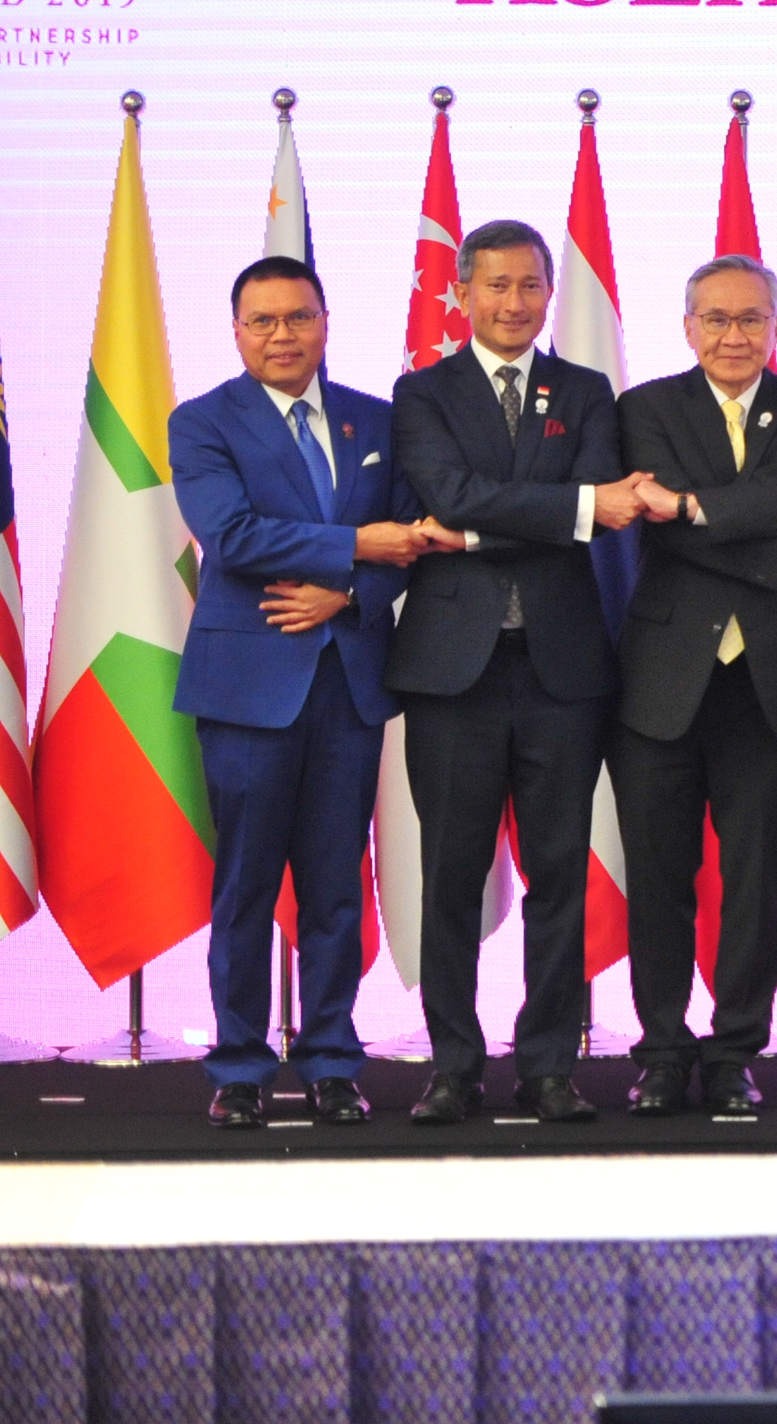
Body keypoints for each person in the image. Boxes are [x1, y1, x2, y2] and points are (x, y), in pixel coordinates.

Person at [388, 218, 649, 1127]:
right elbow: (450, 493)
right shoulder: (421, 392)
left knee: (559, 875)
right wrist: (564, 507)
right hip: (452, 672)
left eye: (530, 285)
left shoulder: (587, 390)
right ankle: (453, 1065)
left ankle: (548, 1065)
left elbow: (603, 506)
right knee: (450, 877)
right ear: (462, 293)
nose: (513, 302)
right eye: (495, 285)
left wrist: (475, 531)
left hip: (561, 669)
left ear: (549, 292)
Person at [170, 256, 442, 1129]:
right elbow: (232, 535)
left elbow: (413, 543)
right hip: (248, 689)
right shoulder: (202, 421)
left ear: (326, 322)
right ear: (237, 331)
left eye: (298, 317)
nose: (282, 334)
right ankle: (239, 1069)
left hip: (348, 684)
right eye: (263, 321)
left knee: (334, 888)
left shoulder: (378, 418)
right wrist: (354, 546)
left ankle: (331, 1061)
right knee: (245, 887)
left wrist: (348, 591)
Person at [609, 255, 777, 1119]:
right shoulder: (644, 409)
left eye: (752, 319)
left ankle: (734, 1051)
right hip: (663, 678)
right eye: (715, 318)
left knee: (756, 879)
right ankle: (662, 1051)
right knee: (659, 876)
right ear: (688, 328)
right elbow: (667, 533)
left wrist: (689, 504)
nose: (733, 335)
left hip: (772, 679)